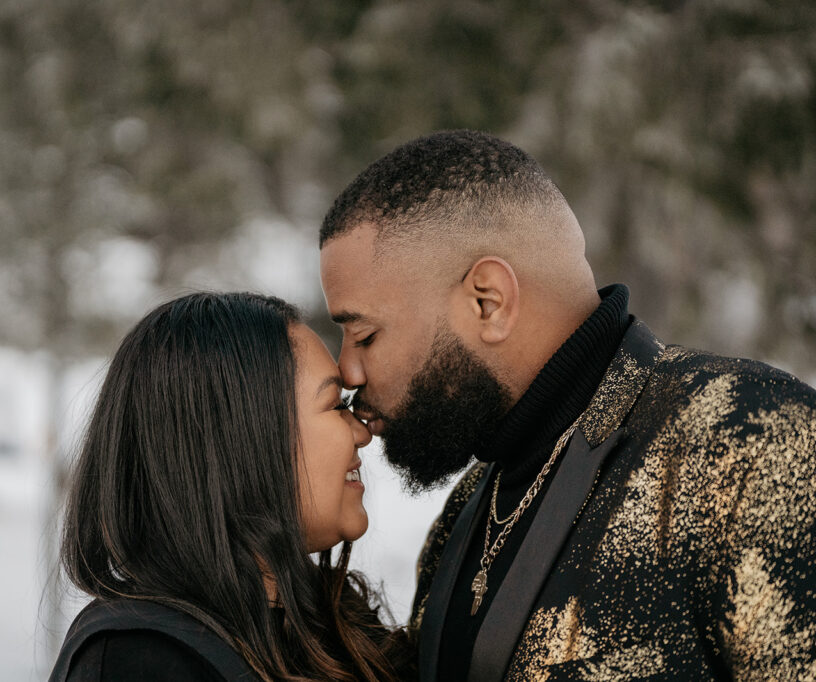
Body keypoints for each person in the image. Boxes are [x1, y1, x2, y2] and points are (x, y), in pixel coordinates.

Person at [318, 130, 816, 681]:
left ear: (488, 301)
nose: (348, 372)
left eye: (363, 336)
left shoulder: (750, 444)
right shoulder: (466, 514)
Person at [49, 292, 416, 681]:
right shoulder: (142, 660)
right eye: (335, 406)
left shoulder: (331, 623)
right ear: (241, 440)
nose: (361, 432)